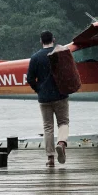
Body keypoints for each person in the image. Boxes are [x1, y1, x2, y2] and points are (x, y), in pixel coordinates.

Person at [26, 30, 69, 167]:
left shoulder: (35, 57)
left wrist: (39, 89)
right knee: (63, 122)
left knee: (48, 127)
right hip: (60, 95)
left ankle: (50, 158)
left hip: (44, 98)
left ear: (41, 41)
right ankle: (61, 143)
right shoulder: (60, 54)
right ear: (54, 40)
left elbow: (30, 79)